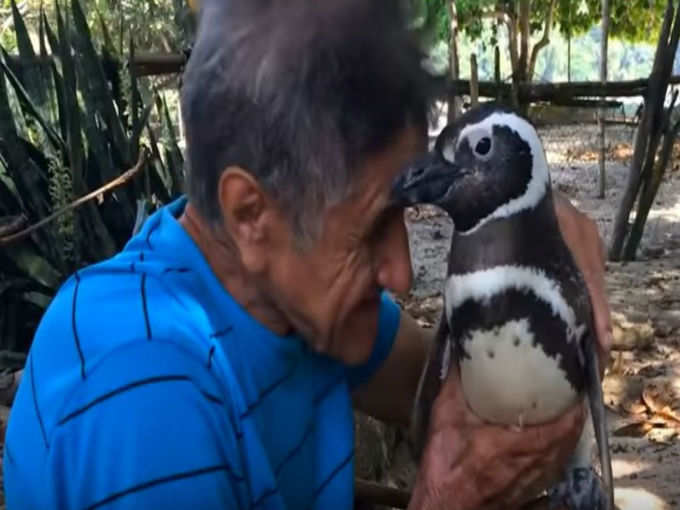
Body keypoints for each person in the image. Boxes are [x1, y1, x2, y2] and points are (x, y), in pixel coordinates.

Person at [3, 1, 612, 509]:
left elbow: (460, 393)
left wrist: (525, 228)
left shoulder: (283, 294)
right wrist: (447, 497)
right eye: (373, 228)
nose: (400, 272)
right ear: (249, 214)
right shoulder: (147, 400)